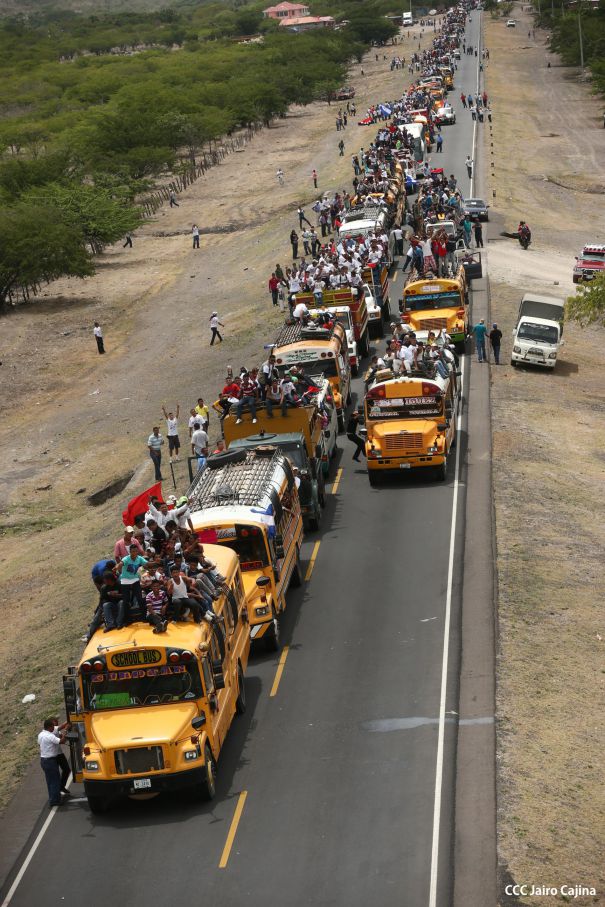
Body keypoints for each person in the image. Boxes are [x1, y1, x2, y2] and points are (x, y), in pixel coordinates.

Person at [38, 719, 68, 808]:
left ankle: (53, 798)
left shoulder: (40, 735)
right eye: (52, 727)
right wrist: (65, 731)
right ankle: (55, 801)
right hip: (50, 760)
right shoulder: (50, 736)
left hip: (44, 760)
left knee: (50, 781)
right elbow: (62, 741)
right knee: (55, 781)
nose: (53, 729)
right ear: (49, 727)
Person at [117, 544, 147, 622]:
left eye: (136, 551)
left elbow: (147, 564)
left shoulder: (139, 558)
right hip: (125, 581)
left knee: (140, 598)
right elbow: (121, 563)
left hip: (135, 580)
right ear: (130, 552)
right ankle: (127, 619)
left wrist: (155, 563)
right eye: (133, 551)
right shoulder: (126, 559)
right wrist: (118, 567)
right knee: (126, 601)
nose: (134, 553)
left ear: (137, 551)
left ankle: (144, 617)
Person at [50, 717, 71, 794]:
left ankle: (61, 787)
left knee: (67, 769)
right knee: (56, 774)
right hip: (53, 755)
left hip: (59, 753)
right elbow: (63, 725)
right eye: (55, 723)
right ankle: (57, 791)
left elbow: (63, 738)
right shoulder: (54, 729)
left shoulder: (56, 731)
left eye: (57, 722)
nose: (57, 724)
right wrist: (70, 720)